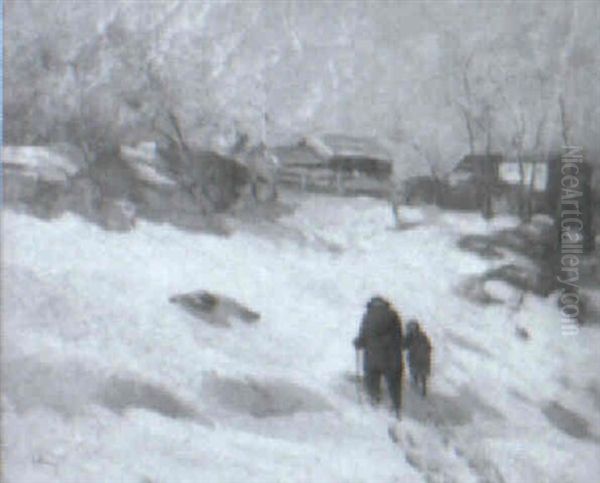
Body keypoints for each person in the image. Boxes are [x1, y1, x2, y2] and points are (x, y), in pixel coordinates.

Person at [353, 296, 404, 416]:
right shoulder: (393, 315)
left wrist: (358, 343)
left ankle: (374, 406)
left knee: (372, 382)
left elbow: (362, 338)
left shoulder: (368, 317)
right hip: (391, 358)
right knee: (394, 384)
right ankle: (396, 408)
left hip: (372, 358)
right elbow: (399, 338)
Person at [404, 320, 432, 398]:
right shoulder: (423, 336)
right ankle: (423, 389)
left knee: (415, 371)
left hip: (414, 358)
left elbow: (403, 345)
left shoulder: (410, 336)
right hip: (425, 358)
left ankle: (415, 385)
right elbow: (429, 347)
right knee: (423, 374)